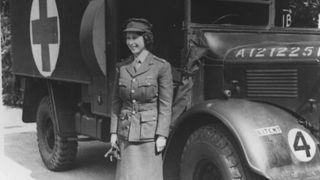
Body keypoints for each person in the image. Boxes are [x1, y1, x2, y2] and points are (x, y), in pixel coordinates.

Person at [109, 18, 173, 180]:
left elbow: (166, 105)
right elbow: (116, 102)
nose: (130, 42)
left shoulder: (161, 66)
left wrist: (162, 135)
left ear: (146, 38)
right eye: (128, 38)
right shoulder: (122, 67)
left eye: (135, 38)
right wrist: (113, 133)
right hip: (126, 133)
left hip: (148, 135)